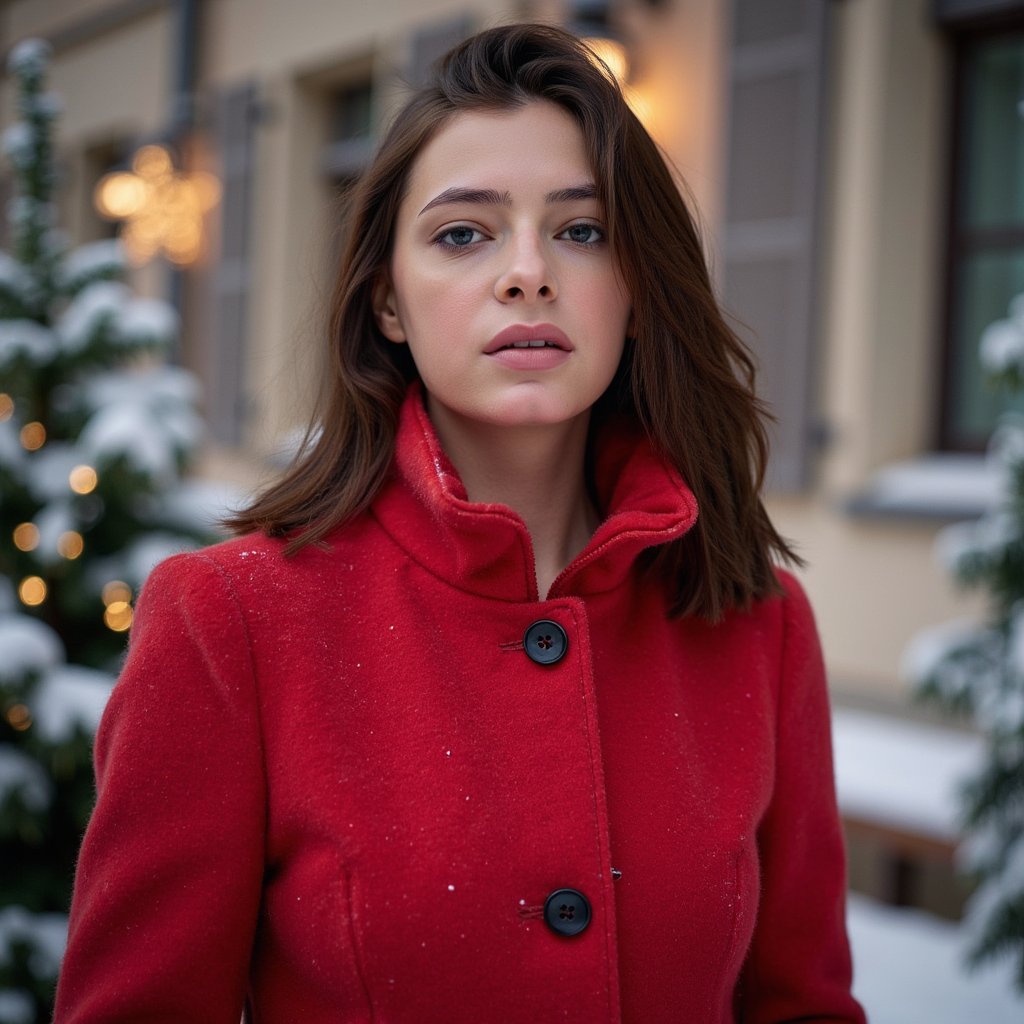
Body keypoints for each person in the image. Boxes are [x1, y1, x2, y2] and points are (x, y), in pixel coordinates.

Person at [54, 22, 865, 1024]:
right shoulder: (231, 621)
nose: (528, 272)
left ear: (638, 291)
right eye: (462, 234)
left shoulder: (757, 624)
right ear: (388, 301)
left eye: (582, 231)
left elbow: (803, 1003)